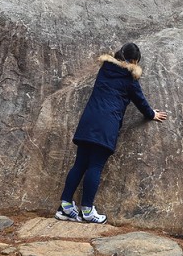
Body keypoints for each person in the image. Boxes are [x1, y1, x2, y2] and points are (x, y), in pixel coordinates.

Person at [55, 42, 168, 224]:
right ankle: (87, 211)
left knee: (80, 164)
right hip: (106, 125)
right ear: (133, 61)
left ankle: (65, 207)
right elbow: (140, 101)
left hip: (88, 120)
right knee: (95, 166)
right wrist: (151, 114)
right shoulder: (129, 78)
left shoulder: (105, 69)